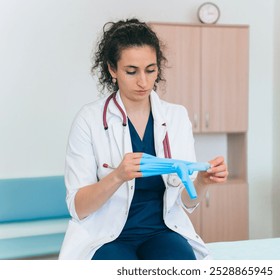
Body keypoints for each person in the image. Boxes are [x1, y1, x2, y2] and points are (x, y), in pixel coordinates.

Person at [58, 18, 228, 260]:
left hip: (162, 232)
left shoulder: (176, 116)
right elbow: (78, 207)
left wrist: (202, 181)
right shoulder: (89, 120)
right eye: (131, 71)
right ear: (112, 69)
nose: (144, 82)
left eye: (150, 70)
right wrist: (117, 176)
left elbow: (187, 203)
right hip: (106, 237)